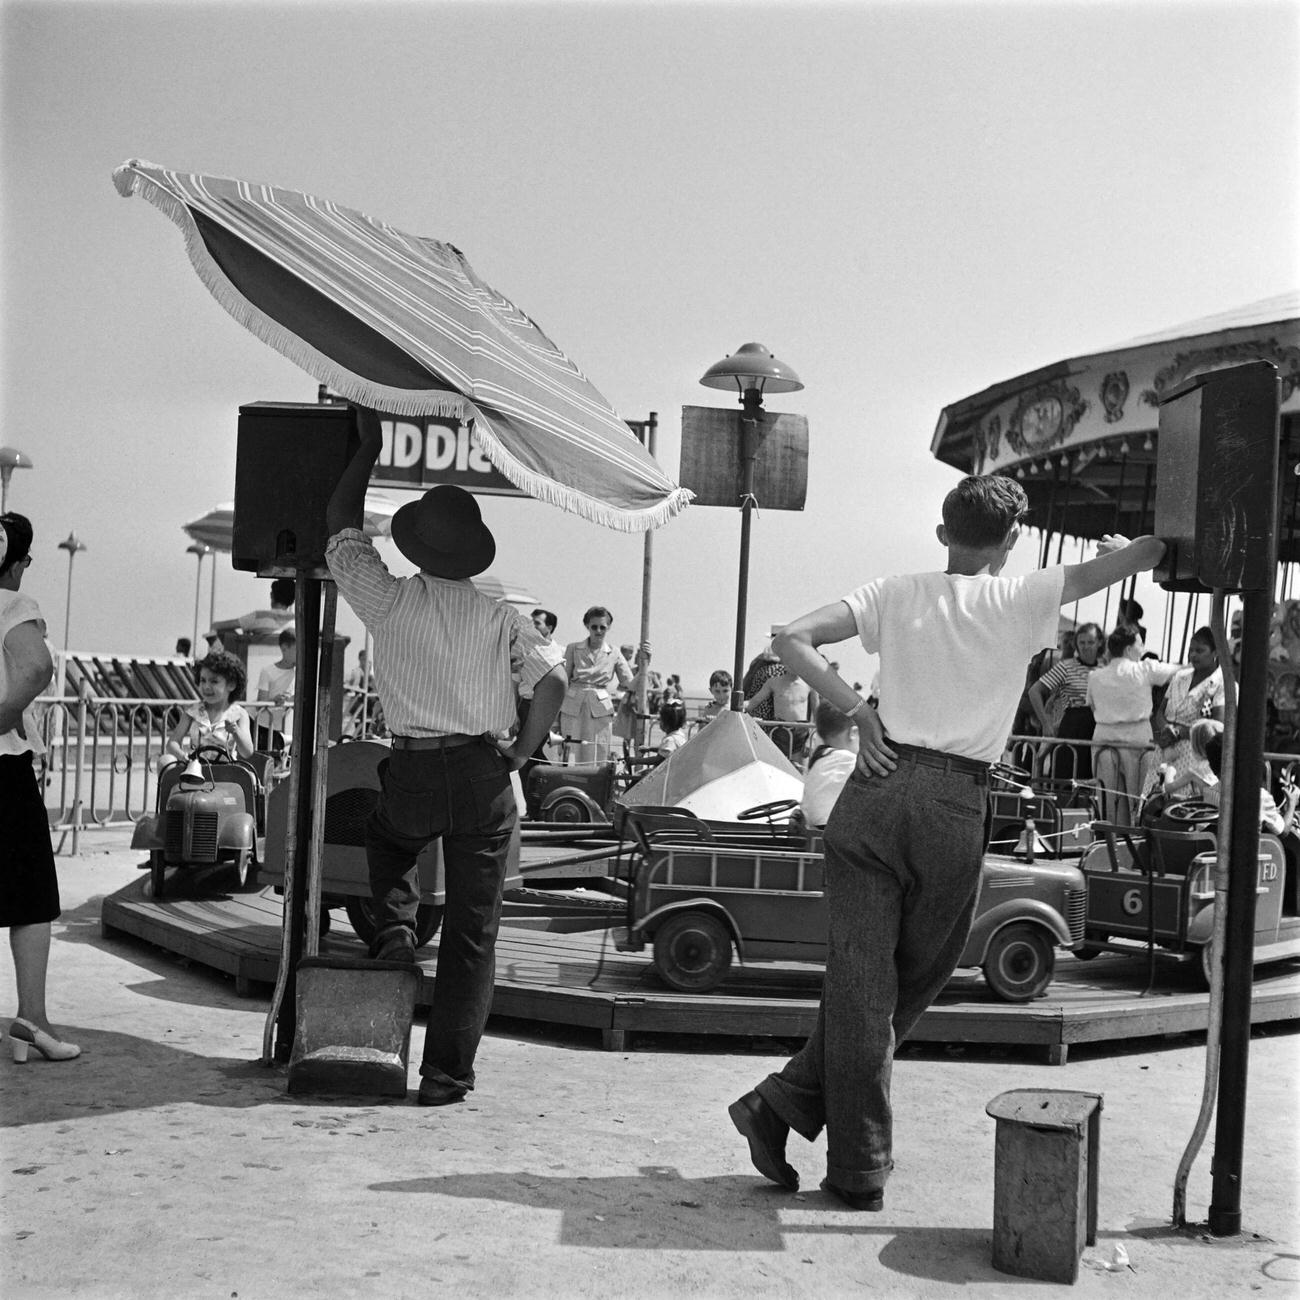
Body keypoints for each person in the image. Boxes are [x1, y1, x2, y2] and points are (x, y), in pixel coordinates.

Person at [726, 474, 1166, 1212]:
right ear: (1013, 540)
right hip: (955, 799)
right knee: (910, 980)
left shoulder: (896, 591)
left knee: (865, 982)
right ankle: (823, 1135)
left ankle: (815, 1124)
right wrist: (1126, 550)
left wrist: (859, 715)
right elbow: (1150, 552)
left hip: (876, 782)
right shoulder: (1024, 595)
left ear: (942, 534)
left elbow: (789, 641)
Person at [326, 404, 565, 1107]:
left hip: (416, 765)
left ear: (416, 546)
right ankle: (445, 1076)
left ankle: (396, 933)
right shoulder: (499, 613)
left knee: (388, 836)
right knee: (472, 933)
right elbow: (552, 680)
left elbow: (340, 527)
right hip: (482, 771)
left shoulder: (387, 600)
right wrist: (521, 753)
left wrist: (366, 447)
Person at [0, 513, 80, 1063]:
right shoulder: (12, 604)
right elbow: (36, 667)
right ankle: (32, 1019)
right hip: (2, 767)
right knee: (29, 898)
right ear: (17, 562)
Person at [1086, 626, 1178, 825]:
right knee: (1137, 800)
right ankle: (1133, 840)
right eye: (1140, 644)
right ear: (1129, 649)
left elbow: (1092, 706)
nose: (1143, 648)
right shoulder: (1144, 669)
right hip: (1136, 741)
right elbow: (1177, 670)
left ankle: (1109, 841)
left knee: (1108, 799)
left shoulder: (1095, 677)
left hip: (1104, 738)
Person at [1142, 626, 1227, 802]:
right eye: (1191, 650)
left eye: (1200, 650)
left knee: (1183, 806)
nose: (1193, 655)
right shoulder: (1179, 677)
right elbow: (1160, 712)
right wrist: (1166, 728)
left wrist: (1181, 732)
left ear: (1215, 652)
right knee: (1154, 801)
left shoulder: (1222, 685)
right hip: (1166, 750)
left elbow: (1218, 727)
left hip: (1197, 756)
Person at [1027, 622, 1103, 781]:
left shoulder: (1104, 669)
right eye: (1082, 642)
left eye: (1090, 642)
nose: (1086, 647)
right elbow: (1035, 691)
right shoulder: (1066, 667)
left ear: (1099, 643)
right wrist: (1046, 724)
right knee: (1066, 778)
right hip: (1072, 726)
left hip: (1097, 728)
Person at [560, 607, 634, 763]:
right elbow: (563, 681)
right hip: (573, 706)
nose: (598, 631)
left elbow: (629, 684)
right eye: (594, 627)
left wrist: (643, 664)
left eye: (602, 627)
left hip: (600, 709)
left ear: (609, 627)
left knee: (598, 751)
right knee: (570, 750)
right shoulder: (573, 648)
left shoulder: (614, 652)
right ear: (587, 626)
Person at [163, 650, 255, 765]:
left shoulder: (239, 714)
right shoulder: (192, 712)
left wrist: (236, 731)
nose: (206, 686)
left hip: (227, 772)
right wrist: (183, 757)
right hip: (195, 770)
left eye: (214, 681)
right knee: (165, 761)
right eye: (203, 680)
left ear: (231, 685)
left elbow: (247, 752)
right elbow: (172, 742)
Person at [800, 700, 858, 829]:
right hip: (831, 829)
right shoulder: (847, 760)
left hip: (814, 826)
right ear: (853, 733)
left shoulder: (820, 758)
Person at [517, 609, 559, 767]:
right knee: (524, 755)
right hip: (524, 706)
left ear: (549, 627)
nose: (532, 626)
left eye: (537, 623)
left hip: (544, 706)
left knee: (536, 752)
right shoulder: (524, 649)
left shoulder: (558, 651)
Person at [255, 628, 297, 755]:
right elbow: (260, 704)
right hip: (265, 727)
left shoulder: (300, 674)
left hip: (284, 729)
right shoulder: (268, 671)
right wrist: (274, 700)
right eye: (297, 649)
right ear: (284, 648)